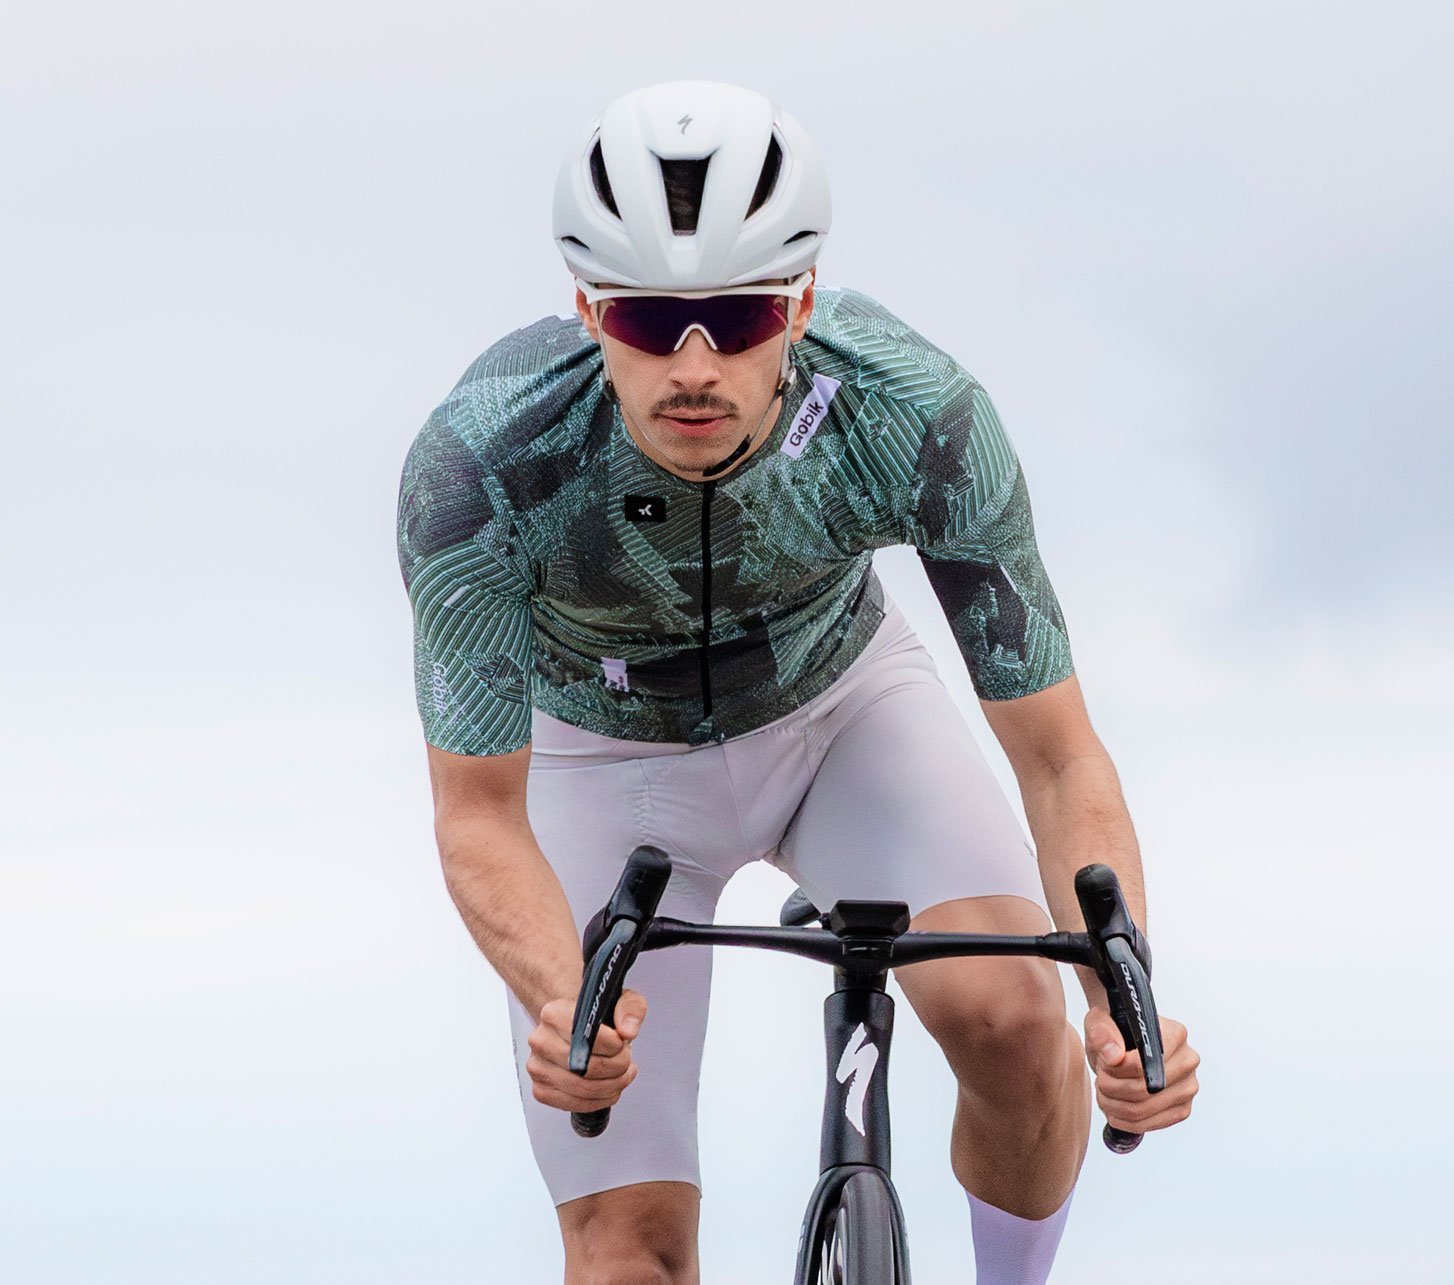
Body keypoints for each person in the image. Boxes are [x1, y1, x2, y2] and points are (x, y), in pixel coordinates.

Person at [397, 80, 1199, 1284]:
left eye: (736, 311)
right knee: (626, 1253)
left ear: (801, 299)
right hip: (601, 762)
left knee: (1016, 1027)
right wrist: (567, 1000)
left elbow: (1057, 755)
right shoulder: (483, 463)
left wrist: (1118, 989)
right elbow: (476, 814)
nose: (696, 361)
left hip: (841, 716)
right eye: (649, 321)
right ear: (585, 308)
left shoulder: (912, 411)